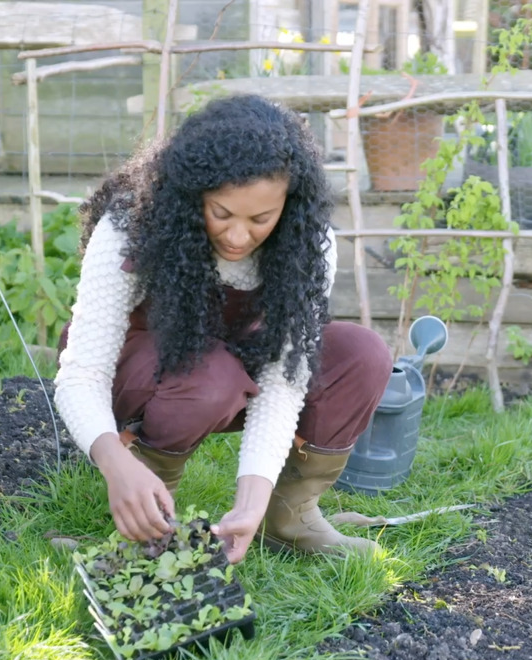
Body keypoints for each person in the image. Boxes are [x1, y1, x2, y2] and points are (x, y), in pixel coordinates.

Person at [53, 94, 393, 564]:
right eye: (221, 213)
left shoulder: (309, 243)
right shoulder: (133, 221)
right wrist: (114, 464)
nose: (237, 237)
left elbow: (283, 381)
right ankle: (148, 515)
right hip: (142, 372)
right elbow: (82, 373)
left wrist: (249, 503)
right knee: (209, 374)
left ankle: (288, 519)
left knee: (361, 353)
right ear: (193, 194)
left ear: (287, 205)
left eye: (260, 219)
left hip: (236, 366)